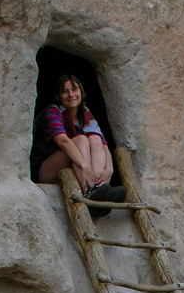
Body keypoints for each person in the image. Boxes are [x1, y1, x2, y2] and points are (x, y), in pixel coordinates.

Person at [30, 74, 126, 208]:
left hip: (78, 166)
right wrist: (84, 166)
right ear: (59, 96)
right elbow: (63, 141)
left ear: (81, 91)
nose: (71, 94)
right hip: (47, 170)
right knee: (81, 140)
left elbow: (103, 144)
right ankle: (89, 190)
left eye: (74, 89)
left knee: (95, 139)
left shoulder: (85, 113)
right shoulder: (52, 112)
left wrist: (109, 168)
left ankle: (101, 187)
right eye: (65, 91)